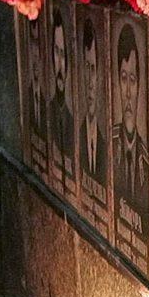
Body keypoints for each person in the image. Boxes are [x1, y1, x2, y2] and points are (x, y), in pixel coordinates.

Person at [111, 24, 148, 226]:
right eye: (123, 78)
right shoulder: (109, 143)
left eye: (132, 80)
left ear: (140, 85)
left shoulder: (146, 159)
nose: (127, 93)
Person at [77, 15, 107, 193]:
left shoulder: (106, 142)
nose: (90, 81)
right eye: (86, 68)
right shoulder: (78, 132)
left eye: (93, 69)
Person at [49, 14, 75, 180]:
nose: (60, 65)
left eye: (63, 54)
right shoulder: (48, 111)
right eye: (56, 53)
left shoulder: (74, 120)